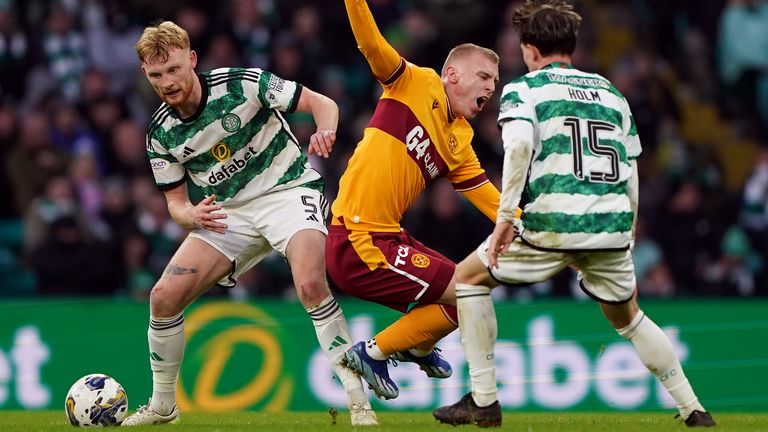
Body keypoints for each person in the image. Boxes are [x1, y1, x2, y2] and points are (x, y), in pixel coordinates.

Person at [433, 0, 715, 428]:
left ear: (529, 48)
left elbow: (520, 148)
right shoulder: (611, 93)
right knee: (630, 316)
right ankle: (694, 409)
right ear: (572, 45)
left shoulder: (525, 90)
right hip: (612, 224)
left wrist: (506, 216)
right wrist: (627, 231)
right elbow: (631, 166)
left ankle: (484, 401)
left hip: (554, 221)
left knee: (468, 280)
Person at [122, 21, 377, 426]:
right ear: (144, 75)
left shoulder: (243, 84)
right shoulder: (160, 134)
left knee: (310, 283)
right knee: (162, 298)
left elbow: (322, 103)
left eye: (173, 70)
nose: (167, 82)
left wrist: (326, 131)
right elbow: (174, 202)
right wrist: (192, 215)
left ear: (192, 59)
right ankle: (163, 406)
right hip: (228, 215)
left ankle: (357, 401)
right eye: (156, 75)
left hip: (288, 191)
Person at [326, 0, 502, 400]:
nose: (491, 87)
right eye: (484, 76)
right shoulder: (414, 83)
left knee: (470, 292)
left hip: (388, 238)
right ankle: (373, 353)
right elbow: (371, 44)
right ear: (452, 74)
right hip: (358, 239)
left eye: (494, 81)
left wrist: (536, 226)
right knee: (467, 293)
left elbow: (494, 203)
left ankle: (417, 345)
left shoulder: (460, 140)